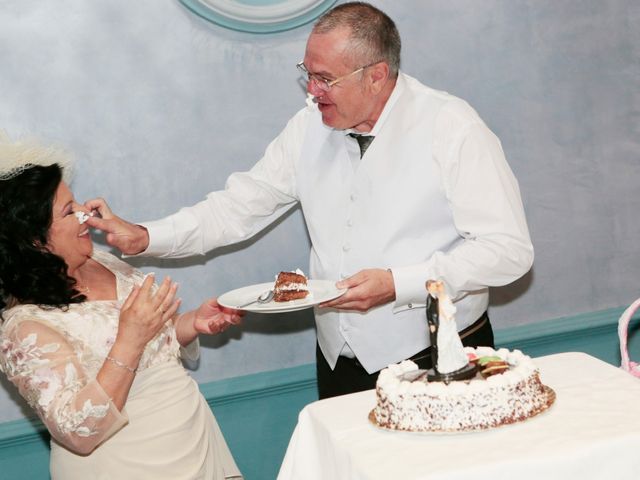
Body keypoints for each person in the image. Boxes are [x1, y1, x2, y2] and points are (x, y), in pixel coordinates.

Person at [87, 2, 534, 399]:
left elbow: (508, 253)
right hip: (338, 358)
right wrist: (147, 236)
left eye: (325, 79)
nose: (311, 91)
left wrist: (400, 283)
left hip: (441, 355)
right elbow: (238, 206)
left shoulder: (452, 126)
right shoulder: (308, 127)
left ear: (376, 76)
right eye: (307, 74)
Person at [0, 136, 243, 479]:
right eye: (70, 211)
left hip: (192, 443)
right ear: (34, 239)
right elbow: (77, 431)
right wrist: (129, 339)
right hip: (123, 466)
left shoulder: (102, 260)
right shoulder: (23, 327)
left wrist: (192, 323)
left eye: (78, 202)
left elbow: (155, 341)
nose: (86, 214)